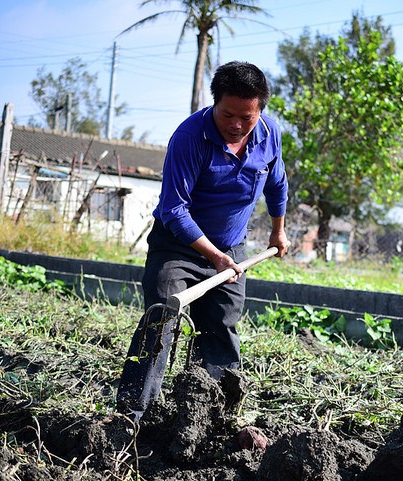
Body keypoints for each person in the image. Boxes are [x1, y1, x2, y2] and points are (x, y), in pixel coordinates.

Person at [116, 61, 289, 422]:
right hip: (177, 246)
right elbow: (174, 210)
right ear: (214, 104)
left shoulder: (269, 134)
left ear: (260, 111)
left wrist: (278, 229)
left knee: (221, 325)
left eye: (248, 117)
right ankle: (131, 415)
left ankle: (211, 417)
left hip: (231, 248)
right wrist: (213, 256)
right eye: (228, 114)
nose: (237, 125)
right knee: (160, 318)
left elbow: (276, 184)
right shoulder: (189, 137)